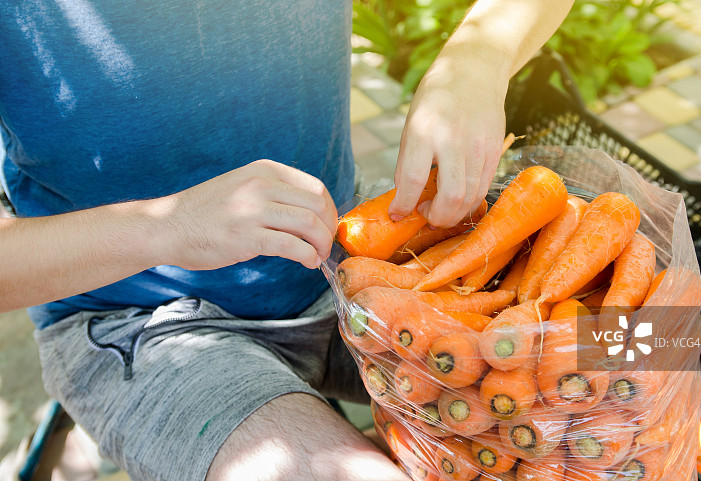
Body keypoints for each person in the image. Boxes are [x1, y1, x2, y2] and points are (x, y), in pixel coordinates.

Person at [0, 0, 573, 479]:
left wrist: (478, 57)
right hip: (136, 321)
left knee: (654, 347)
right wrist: (163, 226)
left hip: (352, 254)